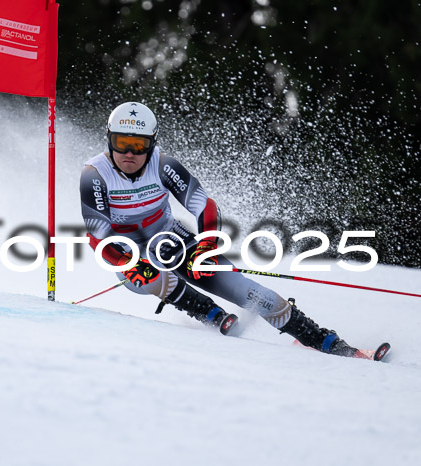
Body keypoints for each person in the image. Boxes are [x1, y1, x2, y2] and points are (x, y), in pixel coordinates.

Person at [79, 101, 360, 357]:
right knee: (150, 278)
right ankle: (208, 313)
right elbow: (98, 235)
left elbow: (205, 206)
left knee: (252, 293)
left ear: (151, 144)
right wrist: (128, 264)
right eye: (121, 143)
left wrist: (205, 246)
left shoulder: (163, 165)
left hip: (174, 239)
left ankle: (326, 341)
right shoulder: (95, 174)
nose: (129, 153)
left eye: (138, 146)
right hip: (128, 250)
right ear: (109, 139)